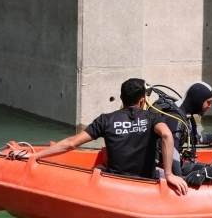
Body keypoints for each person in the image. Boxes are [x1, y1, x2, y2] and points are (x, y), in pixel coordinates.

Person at [32, 78, 188, 195]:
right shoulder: (152, 118)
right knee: (161, 171)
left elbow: (71, 143)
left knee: (97, 168)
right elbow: (167, 135)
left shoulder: (105, 120)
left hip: (114, 183)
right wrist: (169, 174)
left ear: (121, 98)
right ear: (142, 101)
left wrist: (36, 155)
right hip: (146, 182)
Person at [149, 81, 212, 175]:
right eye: (208, 102)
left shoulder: (185, 113)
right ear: (198, 100)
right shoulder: (175, 117)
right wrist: (179, 178)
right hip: (164, 169)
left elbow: (195, 138)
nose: (210, 106)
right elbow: (173, 150)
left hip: (176, 164)